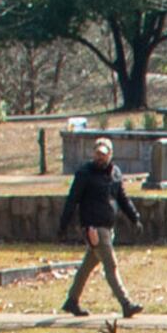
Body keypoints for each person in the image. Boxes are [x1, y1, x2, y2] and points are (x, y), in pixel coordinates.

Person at [58, 135, 143, 315]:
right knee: (111, 265)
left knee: (87, 265)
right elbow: (72, 200)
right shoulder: (84, 173)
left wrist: (134, 217)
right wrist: (63, 225)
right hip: (93, 227)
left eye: (104, 154)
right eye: (97, 154)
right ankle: (126, 304)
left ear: (110, 154)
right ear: (93, 154)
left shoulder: (115, 173)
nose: (100, 157)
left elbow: (122, 198)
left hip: (107, 227)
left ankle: (72, 300)